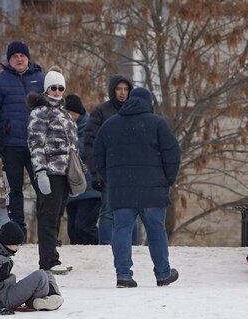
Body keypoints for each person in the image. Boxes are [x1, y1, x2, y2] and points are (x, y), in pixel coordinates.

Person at [93, 86, 181, 288]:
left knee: (122, 229)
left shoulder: (110, 124)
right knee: (156, 230)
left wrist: (110, 179)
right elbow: (172, 154)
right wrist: (168, 179)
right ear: (148, 103)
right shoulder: (158, 123)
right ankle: (163, 273)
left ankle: (123, 275)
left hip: (121, 190)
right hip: (153, 189)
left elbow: (97, 156)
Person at [0, 40, 46, 229]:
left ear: (28, 58)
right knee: (14, 189)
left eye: (22, 56)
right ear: (9, 60)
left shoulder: (42, 80)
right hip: (11, 145)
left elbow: (55, 109)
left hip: (38, 145)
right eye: (15, 56)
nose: (19, 59)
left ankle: (46, 230)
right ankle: (17, 229)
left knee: (44, 188)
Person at [27, 71, 76, 274]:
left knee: (56, 217)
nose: (56, 92)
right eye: (53, 88)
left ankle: (52, 257)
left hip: (64, 172)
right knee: (48, 217)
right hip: (50, 171)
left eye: (60, 88)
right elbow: (35, 144)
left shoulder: (64, 113)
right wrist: (40, 171)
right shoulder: (39, 113)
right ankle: (47, 260)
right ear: (46, 89)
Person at [82, 75, 134, 244]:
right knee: (108, 211)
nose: (122, 93)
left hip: (132, 169)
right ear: (113, 90)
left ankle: (133, 247)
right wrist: (95, 171)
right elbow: (90, 143)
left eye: (126, 89)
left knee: (133, 210)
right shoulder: (101, 111)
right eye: (119, 89)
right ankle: (105, 248)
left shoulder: (135, 110)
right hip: (109, 169)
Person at [0, 221, 64, 314]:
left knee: (47, 273)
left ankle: (53, 297)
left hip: (7, 292)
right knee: (40, 276)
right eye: (16, 244)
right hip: (5, 299)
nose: (18, 248)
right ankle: (35, 302)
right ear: (7, 241)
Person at [64, 94, 101, 245]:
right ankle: (82, 261)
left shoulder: (89, 127)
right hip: (73, 190)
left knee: (83, 229)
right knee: (73, 232)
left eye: (68, 113)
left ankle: (99, 250)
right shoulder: (67, 127)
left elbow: (82, 151)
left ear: (76, 113)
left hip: (89, 190)